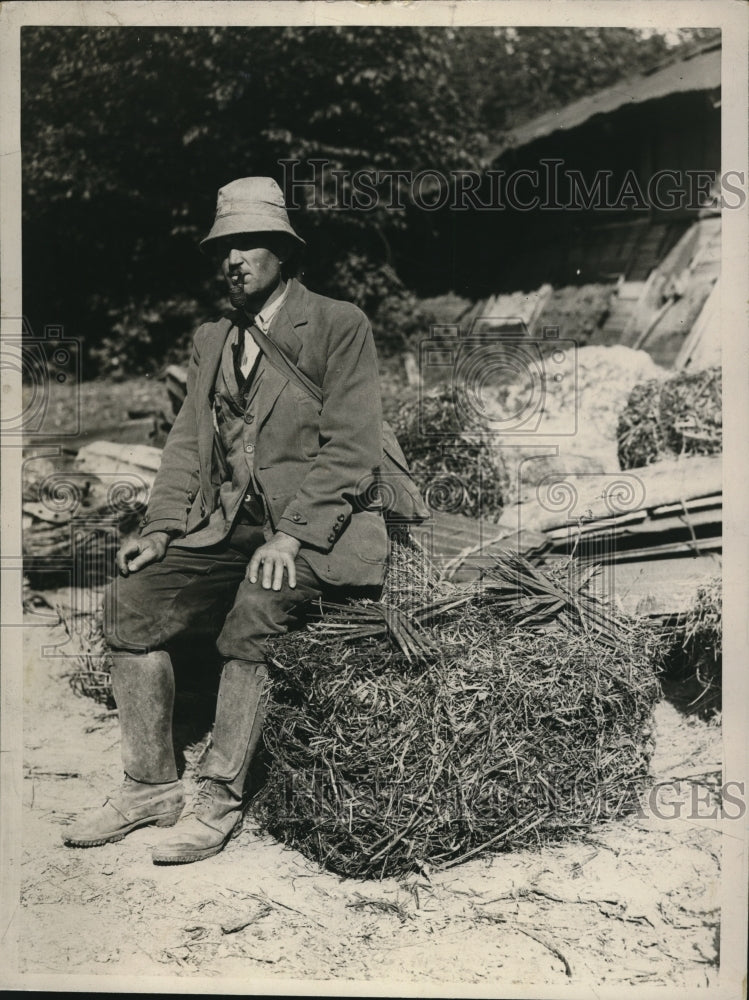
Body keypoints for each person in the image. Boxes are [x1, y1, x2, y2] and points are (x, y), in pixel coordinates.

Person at [63, 177, 388, 864]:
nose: (232, 259)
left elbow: (352, 446)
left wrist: (291, 534)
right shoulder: (212, 338)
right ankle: (150, 785)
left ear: (282, 252)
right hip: (228, 525)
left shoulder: (336, 323)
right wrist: (158, 529)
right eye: (223, 247)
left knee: (256, 604)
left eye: (249, 244)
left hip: (318, 528)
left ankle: (217, 798)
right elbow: (186, 443)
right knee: (130, 601)